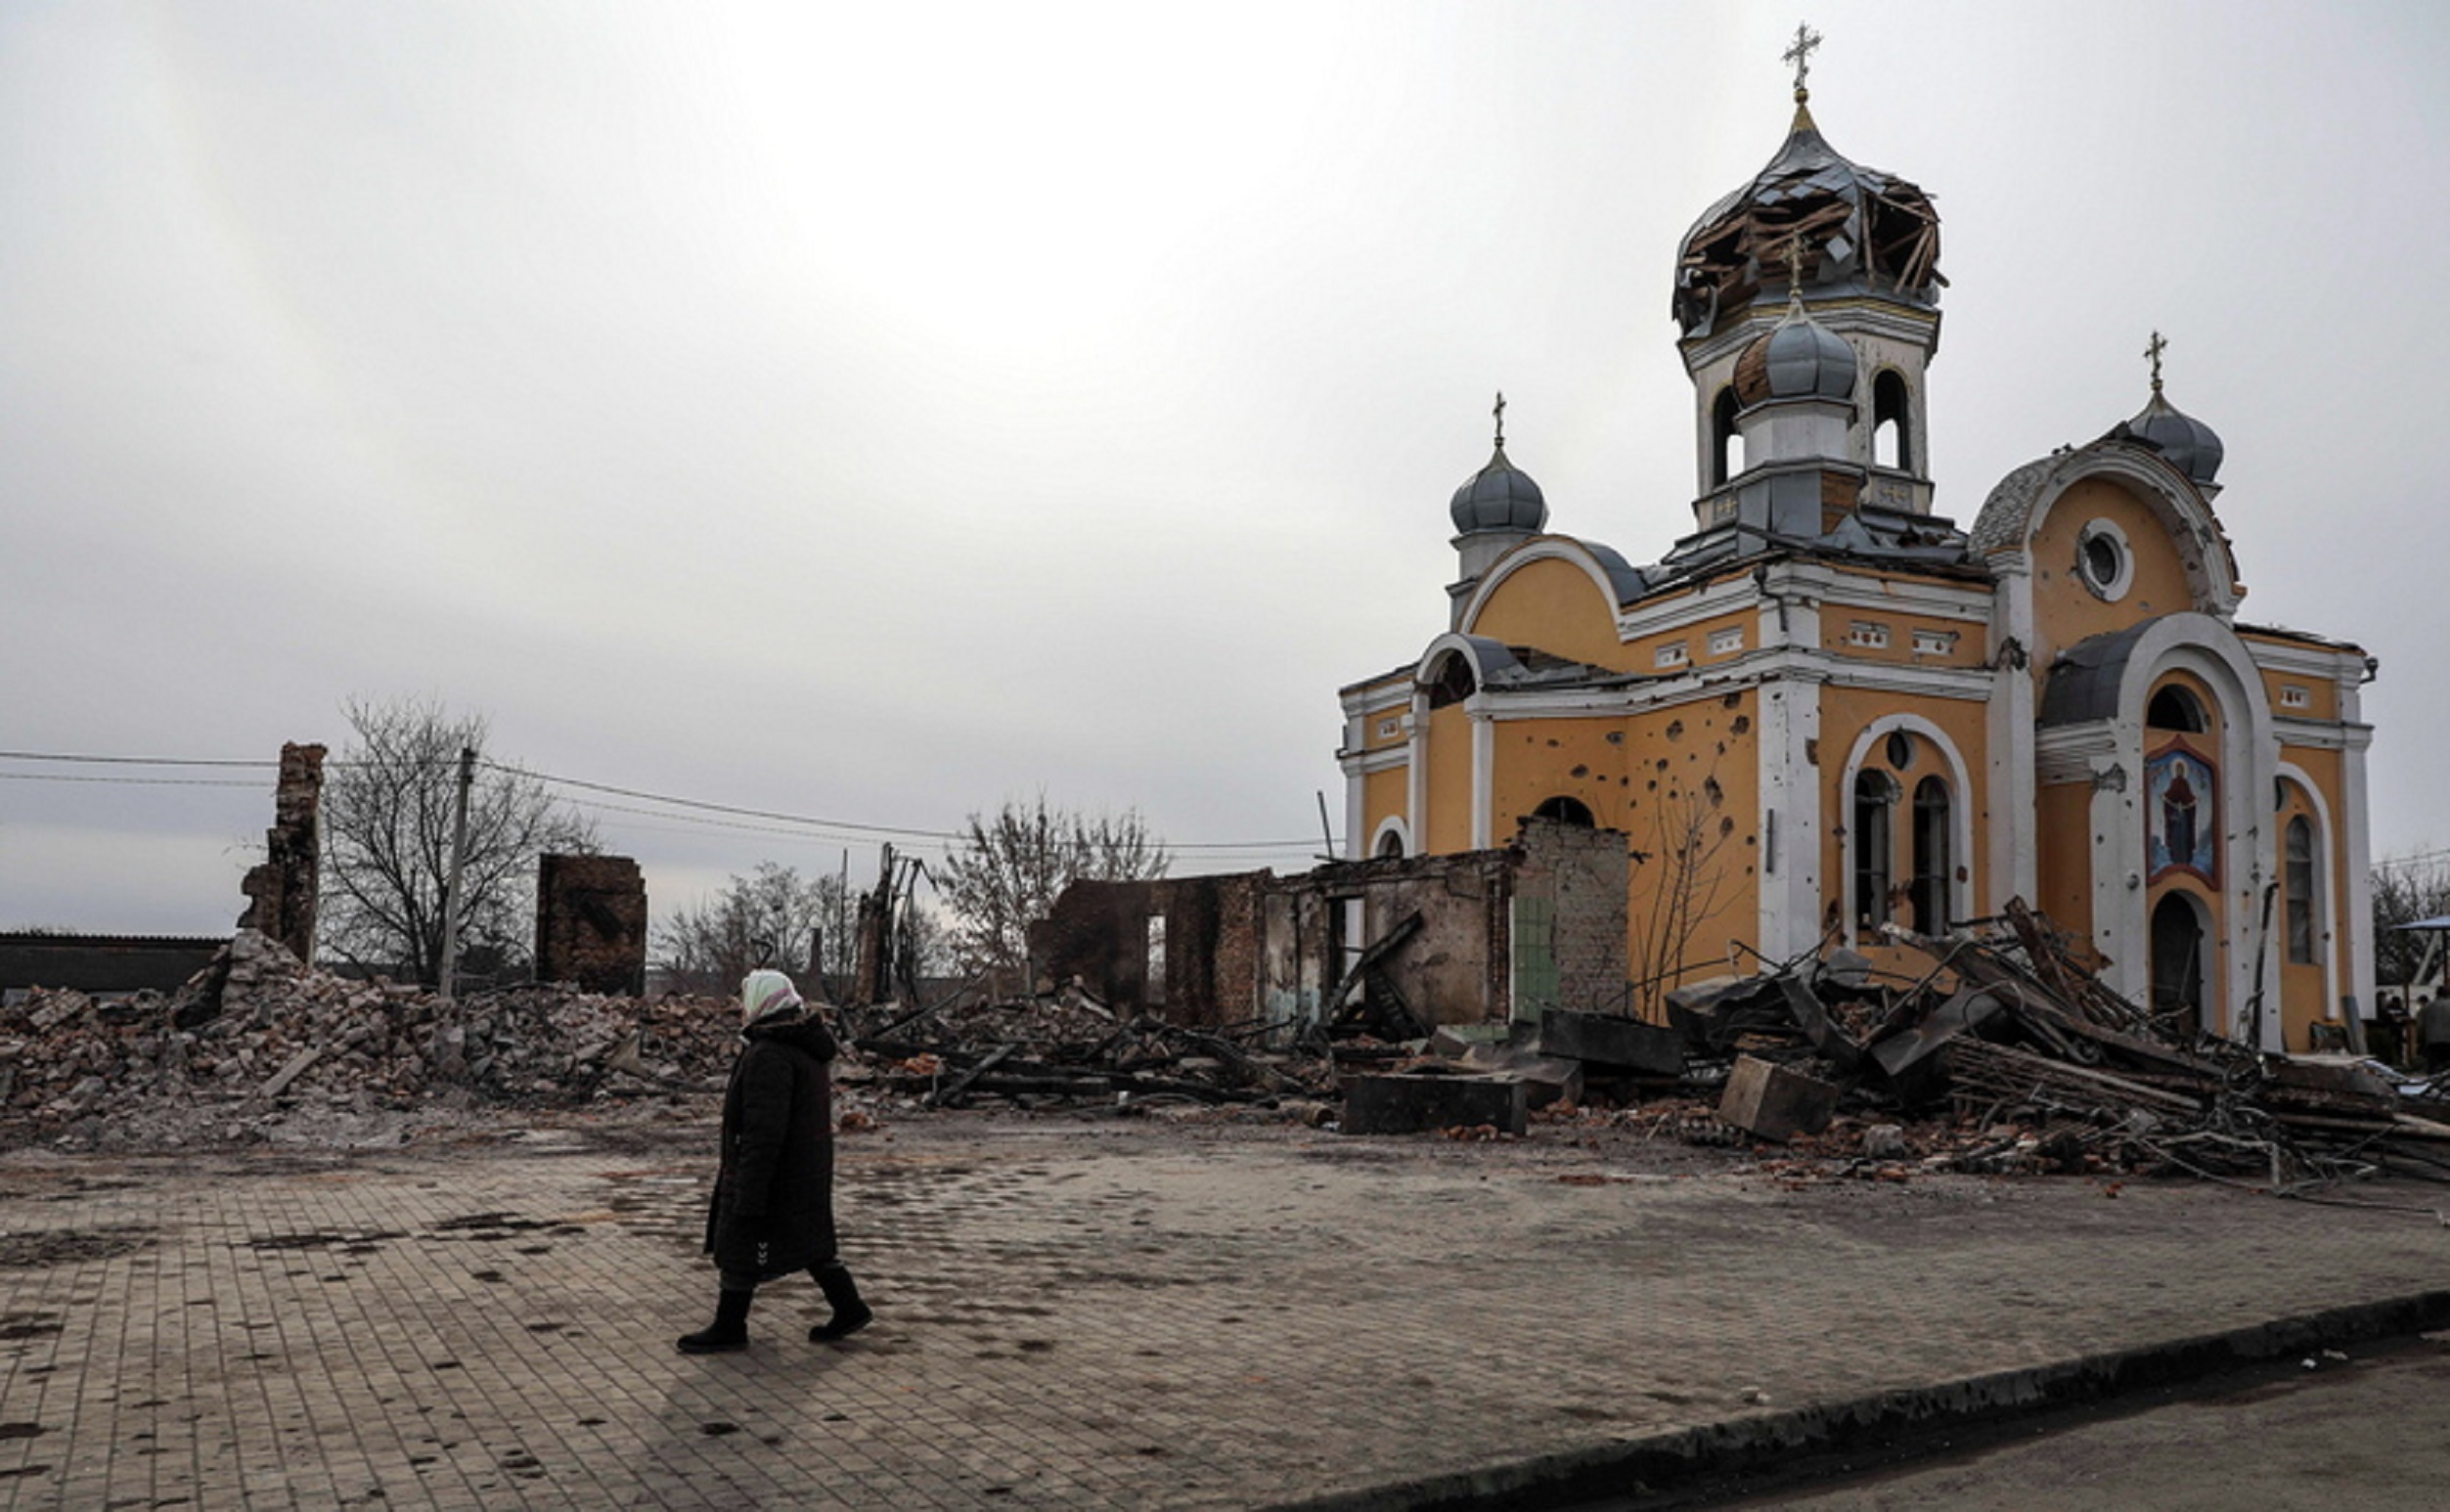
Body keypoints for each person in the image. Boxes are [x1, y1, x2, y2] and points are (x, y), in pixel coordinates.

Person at [678, 969, 872, 1355]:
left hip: (776, 1170)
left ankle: (730, 1326)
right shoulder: (803, 1046)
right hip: (804, 1167)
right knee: (811, 1242)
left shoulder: (770, 1054)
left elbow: (763, 1130)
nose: (740, 1011)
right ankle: (849, 1308)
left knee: (742, 1242)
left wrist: (750, 1189)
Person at [2420, 994, 2450, 1077]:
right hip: (2448, 1039)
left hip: (2432, 1040)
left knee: (2433, 1066)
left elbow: (2421, 1024)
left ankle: (2432, 1083)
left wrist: (2422, 1038)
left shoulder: (2427, 1007)